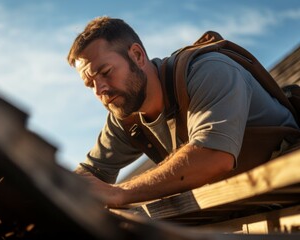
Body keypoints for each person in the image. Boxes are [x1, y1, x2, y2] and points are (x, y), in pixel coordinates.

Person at [66, 16, 300, 208]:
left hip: (290, 193)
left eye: (106, 72)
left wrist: (120, 192)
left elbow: (213, 156)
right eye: (90, 85)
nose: (100, 90)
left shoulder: (209, 70)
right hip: (243, 207)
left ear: (137, 56)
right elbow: (87, 177)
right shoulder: (124, 117)